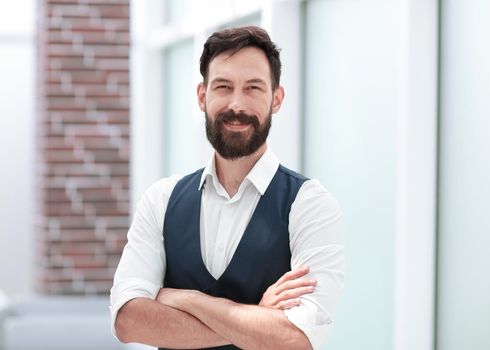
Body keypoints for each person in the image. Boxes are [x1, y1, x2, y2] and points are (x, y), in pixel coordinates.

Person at [110, 26, 343, 350]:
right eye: (223, 86)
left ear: (276, 99)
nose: (237, 104)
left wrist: (187, 299)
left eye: (253, 88)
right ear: (202, 96)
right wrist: (256, 318)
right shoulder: (161, 200)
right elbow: (128, 321)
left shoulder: (310, 206)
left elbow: (295, 340)